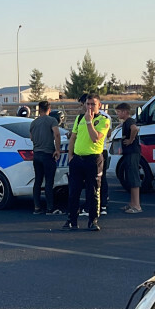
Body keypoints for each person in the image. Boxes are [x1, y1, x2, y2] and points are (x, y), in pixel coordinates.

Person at [62, 94, 108, 231]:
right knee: (73, 191)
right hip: (78, 159)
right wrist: (70, 156)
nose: (89, 107)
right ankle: (72, 220)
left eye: (93, 104)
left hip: (93, 159)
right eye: (88, 104)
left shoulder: (103, 120)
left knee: (93, 191)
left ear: (99, 105)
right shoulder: (79, 118)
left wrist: (89, 122)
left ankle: (93, 220)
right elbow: (73, 137)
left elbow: (95, 138)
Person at [29, 100, 62, 215]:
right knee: (49, 182)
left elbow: (31, 137)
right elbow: (57, 134)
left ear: (39, 109)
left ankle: (37, 207)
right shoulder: (52, 120)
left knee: (38, 181)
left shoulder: (33, 123)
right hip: (48, 154)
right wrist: (57, 150)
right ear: (49, 109)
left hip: (36, 154)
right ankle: (50, 208)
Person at [115, 102, 142, 213]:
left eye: (119, 112)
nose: (117, 114)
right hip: (128, 153)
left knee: (134, 177)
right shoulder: (126, 122)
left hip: (132, 153)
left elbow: (135, 129)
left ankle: (137, 206)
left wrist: (131, 140)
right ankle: (132, 203)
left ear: (125, 112)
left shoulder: (130, 121)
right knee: (130, 178)